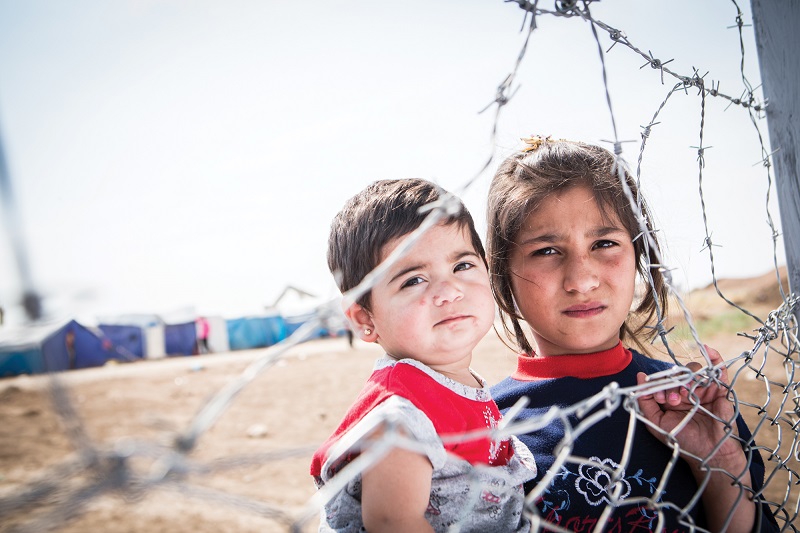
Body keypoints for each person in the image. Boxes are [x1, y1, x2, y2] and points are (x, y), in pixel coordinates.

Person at [486, 136, 779, 532]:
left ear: (638, 255)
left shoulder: (691, 403)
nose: (582, 280)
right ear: (503, 273)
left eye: (604, 243)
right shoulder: (486, 425)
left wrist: (721, 462)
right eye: (547, 251)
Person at [310, 179, 537, 532]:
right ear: (365, 319)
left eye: (462, 266)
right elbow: (393, 521)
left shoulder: (452, 383)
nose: (449, 291)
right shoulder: (402, 413)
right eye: (413, 280)